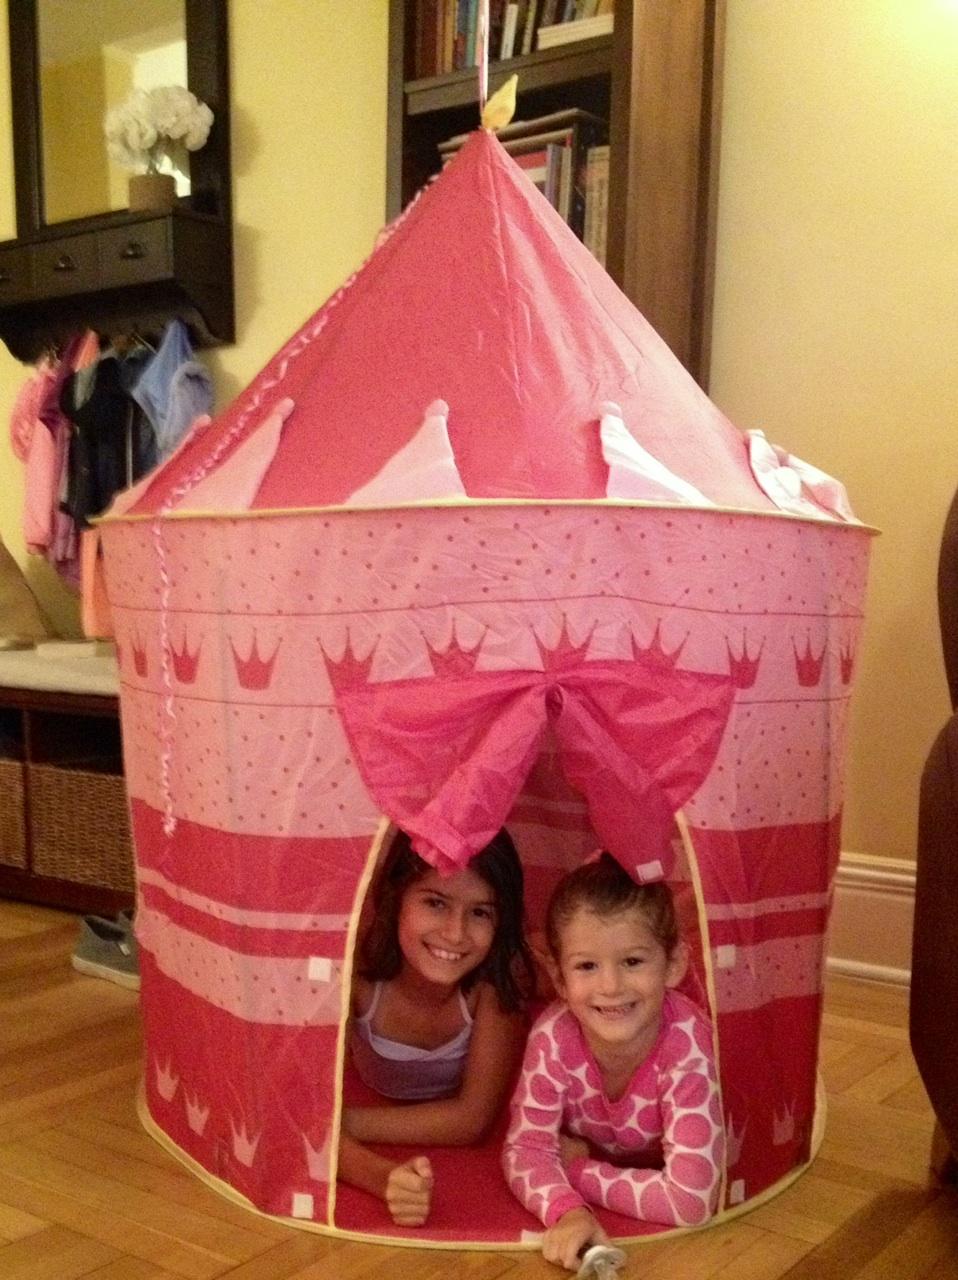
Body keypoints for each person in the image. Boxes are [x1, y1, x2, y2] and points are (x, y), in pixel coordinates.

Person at [502, 852, 723, 1271]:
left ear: (673, 964)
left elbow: (691, 1200)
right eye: (586, 966)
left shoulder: (687, 1042)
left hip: (602, 1158)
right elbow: (526, 1148)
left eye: (633, 961)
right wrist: (568, 1211)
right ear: (559, 978)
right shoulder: (552, 1038)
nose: (611, 986)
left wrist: (578, 1170)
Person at [338, 827, 535, 1227]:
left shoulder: (497, 982)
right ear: (396, 898)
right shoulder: (356, 972)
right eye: (435, 902)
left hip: (367, 1117)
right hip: (371, 1103)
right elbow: (299, 1111)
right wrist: (381, 1176)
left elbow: (471, 1120)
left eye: (480, 912)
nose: (455, 933)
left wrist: (342, 1121)